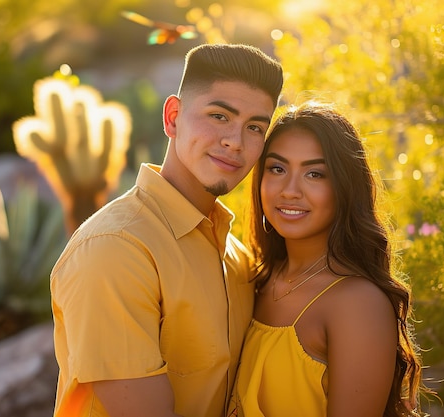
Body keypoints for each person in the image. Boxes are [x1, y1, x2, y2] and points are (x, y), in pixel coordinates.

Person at [50, 43, 283, 417]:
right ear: (173, 117)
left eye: (255, 127)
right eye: (220, 116)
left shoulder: (237, 257)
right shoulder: (115, 249)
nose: (235, 142)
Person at [228, 102, 428, 416]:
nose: (290, 191)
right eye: (277, 169)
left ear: (344, 188)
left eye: (315, 174)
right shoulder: (257, 278)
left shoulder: (357, 303)